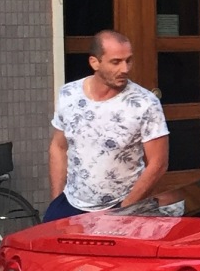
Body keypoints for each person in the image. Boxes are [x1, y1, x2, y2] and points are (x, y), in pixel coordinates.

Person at [46, 30, 169, 221]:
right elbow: (58, 146)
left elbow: (158, 164)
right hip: (70, 205)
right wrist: (57, 200)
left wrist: (123, 211)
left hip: (120, 207)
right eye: (116, 62)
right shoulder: (68, 95)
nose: (125, 69)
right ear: (94, 62)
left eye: (128, 60)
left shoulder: (145, 103)